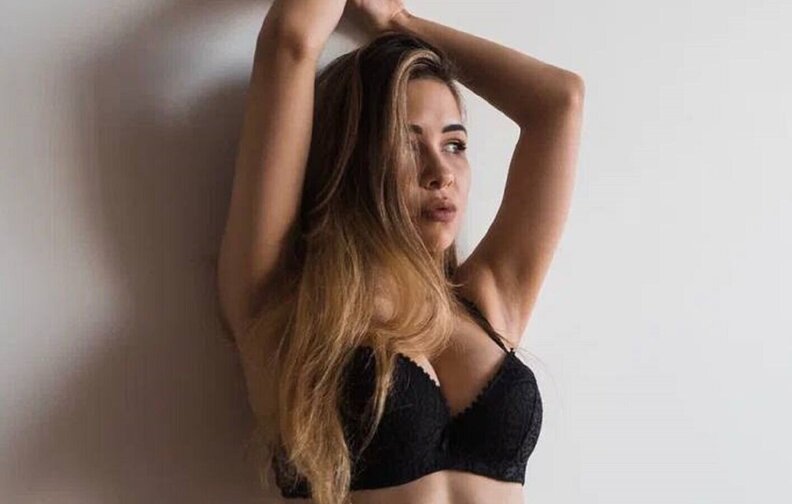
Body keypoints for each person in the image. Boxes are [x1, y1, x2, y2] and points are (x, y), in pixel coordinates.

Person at [215, 0, 584, 502]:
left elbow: (560, 102)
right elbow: (291, 42)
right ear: (354, 160)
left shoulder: (486, 301)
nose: (441, 173)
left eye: (454, 145)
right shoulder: (287, 303)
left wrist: (398, 23)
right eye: (408, 145)